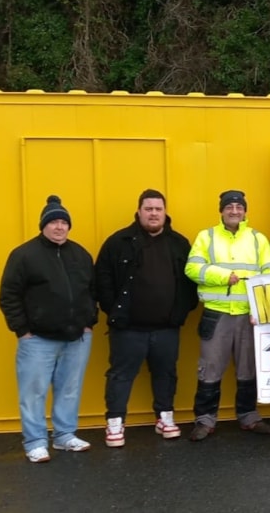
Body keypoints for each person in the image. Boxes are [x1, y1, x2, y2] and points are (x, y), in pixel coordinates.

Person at [95, 189, 199, 448]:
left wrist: (180, 313)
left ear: (165, 212)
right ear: (139, 211)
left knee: (166, 373)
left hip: (166, 328)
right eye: (148, 209)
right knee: (120, 376)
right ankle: (115, 422)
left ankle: (165, 417)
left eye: (158, 209)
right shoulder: (118, 242)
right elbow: (102, 281)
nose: (154, 213)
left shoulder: (179, 243)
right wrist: (115, 311)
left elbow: (190, 283)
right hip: (128, 328)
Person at [0, 195, 97, 463]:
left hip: (76, 337)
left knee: (69, 388)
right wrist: (22, 330)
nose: (59, 227)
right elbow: (9, 295)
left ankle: (65, 436)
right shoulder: (24, 255)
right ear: (43, 225)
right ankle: (35, 442)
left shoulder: (80, 254)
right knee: (33, 391)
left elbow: (92, 290)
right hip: (37, 340)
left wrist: (89, 323)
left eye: (64, 222)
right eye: (53, 221)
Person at [185, 190, 270, 440]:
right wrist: (224, 276)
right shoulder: (206, 237)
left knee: (248, 369)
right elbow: (192, 268)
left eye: (239, 207)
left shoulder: (258, 239)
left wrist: (261, 309)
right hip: (216, 313)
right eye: (229, 207)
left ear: (245, 211)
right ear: (221, 210)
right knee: (210, 369)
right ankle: (205, 420)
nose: (234, 211)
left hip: (249, 315)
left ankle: (249, 416)